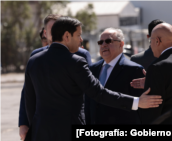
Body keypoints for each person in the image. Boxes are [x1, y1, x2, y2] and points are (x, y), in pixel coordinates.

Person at [24, 16, 162, 141]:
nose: (81, 40)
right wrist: (137, 102)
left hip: (40, 132)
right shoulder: (76, 61)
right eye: (78, 35)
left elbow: (29, 101)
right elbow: (98, 93)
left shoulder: (33, 60)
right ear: (67, 36)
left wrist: (35, 128)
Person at [18, 14, 92, 141]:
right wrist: (24, 123)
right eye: (52, 28)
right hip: (43, 127)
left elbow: (90, 91)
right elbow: (28, 93)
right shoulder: (35, 56)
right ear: (45, 33)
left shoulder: (81, 55)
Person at [132, 23, 172, 124]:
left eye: (151, 41)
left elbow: (151, 110)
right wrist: (150, 81)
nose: (151, 45)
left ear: (157, 40)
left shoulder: (157, 67)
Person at [85, 28, 145, 124]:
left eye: (108, 41)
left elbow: (141, 108)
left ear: (121, 44)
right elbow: (88, 102)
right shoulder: (93, 69)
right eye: (101, 42)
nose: (103, 45)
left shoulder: (134, 70)